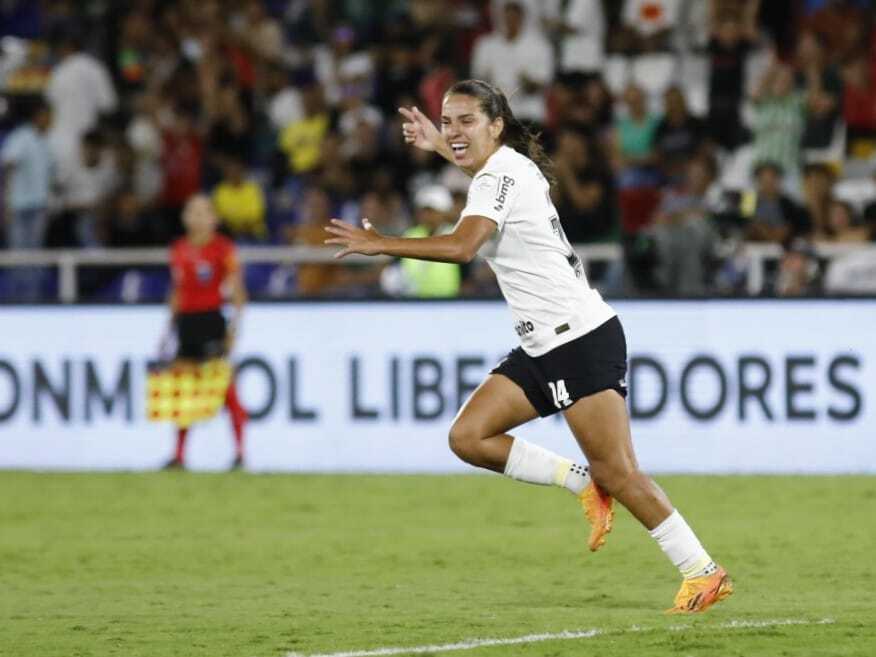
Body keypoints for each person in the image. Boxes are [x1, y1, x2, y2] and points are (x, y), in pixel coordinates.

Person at [325, 79, 733, 613]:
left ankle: (703, 571)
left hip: (577, 339)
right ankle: (580, 481)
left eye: (466, 121)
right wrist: (440, 147)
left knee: (621, 471)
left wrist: (383, 243)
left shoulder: (500, 173)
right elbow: (482, 180)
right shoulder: (506, 168)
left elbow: (463, 246)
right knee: (469, 436)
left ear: (496, 125)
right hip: (543, 344)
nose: (455, 131)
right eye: (448, 121)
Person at [164, 194, 248, 470]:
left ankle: (240, 453)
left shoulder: (223, 249)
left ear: (214, 219)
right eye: (193, 212)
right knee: (183, 390)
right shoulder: (178, 249)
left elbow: (237, 293)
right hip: (186, 324)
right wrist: (167, 330)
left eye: (204, 213)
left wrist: (234, 328)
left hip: (212, 321)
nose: (198, 218)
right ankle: (179, 455)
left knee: (224, 389)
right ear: (185, 217)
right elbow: (177, 291)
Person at [0, 98, 53, 301]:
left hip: (38, 206)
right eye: (48, 116)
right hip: (19, 206)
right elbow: (8, 167)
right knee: (19, 254)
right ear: (38, 116)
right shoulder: (22, 136)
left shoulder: (44, 141)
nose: (50, 120)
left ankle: (32, 298)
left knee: (35, 255)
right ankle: (18, 299)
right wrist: (5, 203)